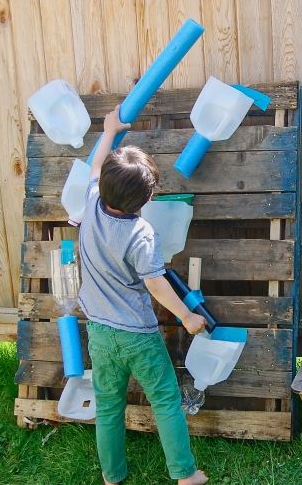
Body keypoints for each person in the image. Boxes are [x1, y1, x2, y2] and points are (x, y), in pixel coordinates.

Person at [78, 106, 208, 485]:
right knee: (165, 400)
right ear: (144, 200)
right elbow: (155, 283)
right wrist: (186, 316)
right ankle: (185, 475)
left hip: (100, 332)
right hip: (138, 334)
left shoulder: (89, 204)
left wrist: (109, 131)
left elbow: (94, 168)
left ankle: (112, 477)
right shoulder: (141, 234)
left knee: (108, 407)